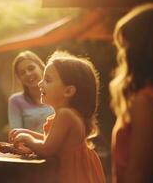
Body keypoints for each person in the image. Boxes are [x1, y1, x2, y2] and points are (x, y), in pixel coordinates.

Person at [11, 51, 106, 183]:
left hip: (71, 176)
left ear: (68, 91)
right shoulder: (71, 114)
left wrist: (28, 139)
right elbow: (55, 142)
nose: (40, 84)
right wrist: (28, 132)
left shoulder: (65, 115)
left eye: (48, 80)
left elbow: (47, 149)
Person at [110, 3, 153, 183]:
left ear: (141, 49)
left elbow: (138, 174)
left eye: (124, 46)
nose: (121, 55)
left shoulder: (146, 102)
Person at [8, 51, 54, 134]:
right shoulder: (15, 101)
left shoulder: (56, 93)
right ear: (19, 78)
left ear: (41, 67)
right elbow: (15, 134)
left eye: (31, 68)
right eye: (22, 73)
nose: (28, 74)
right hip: (29, 147)